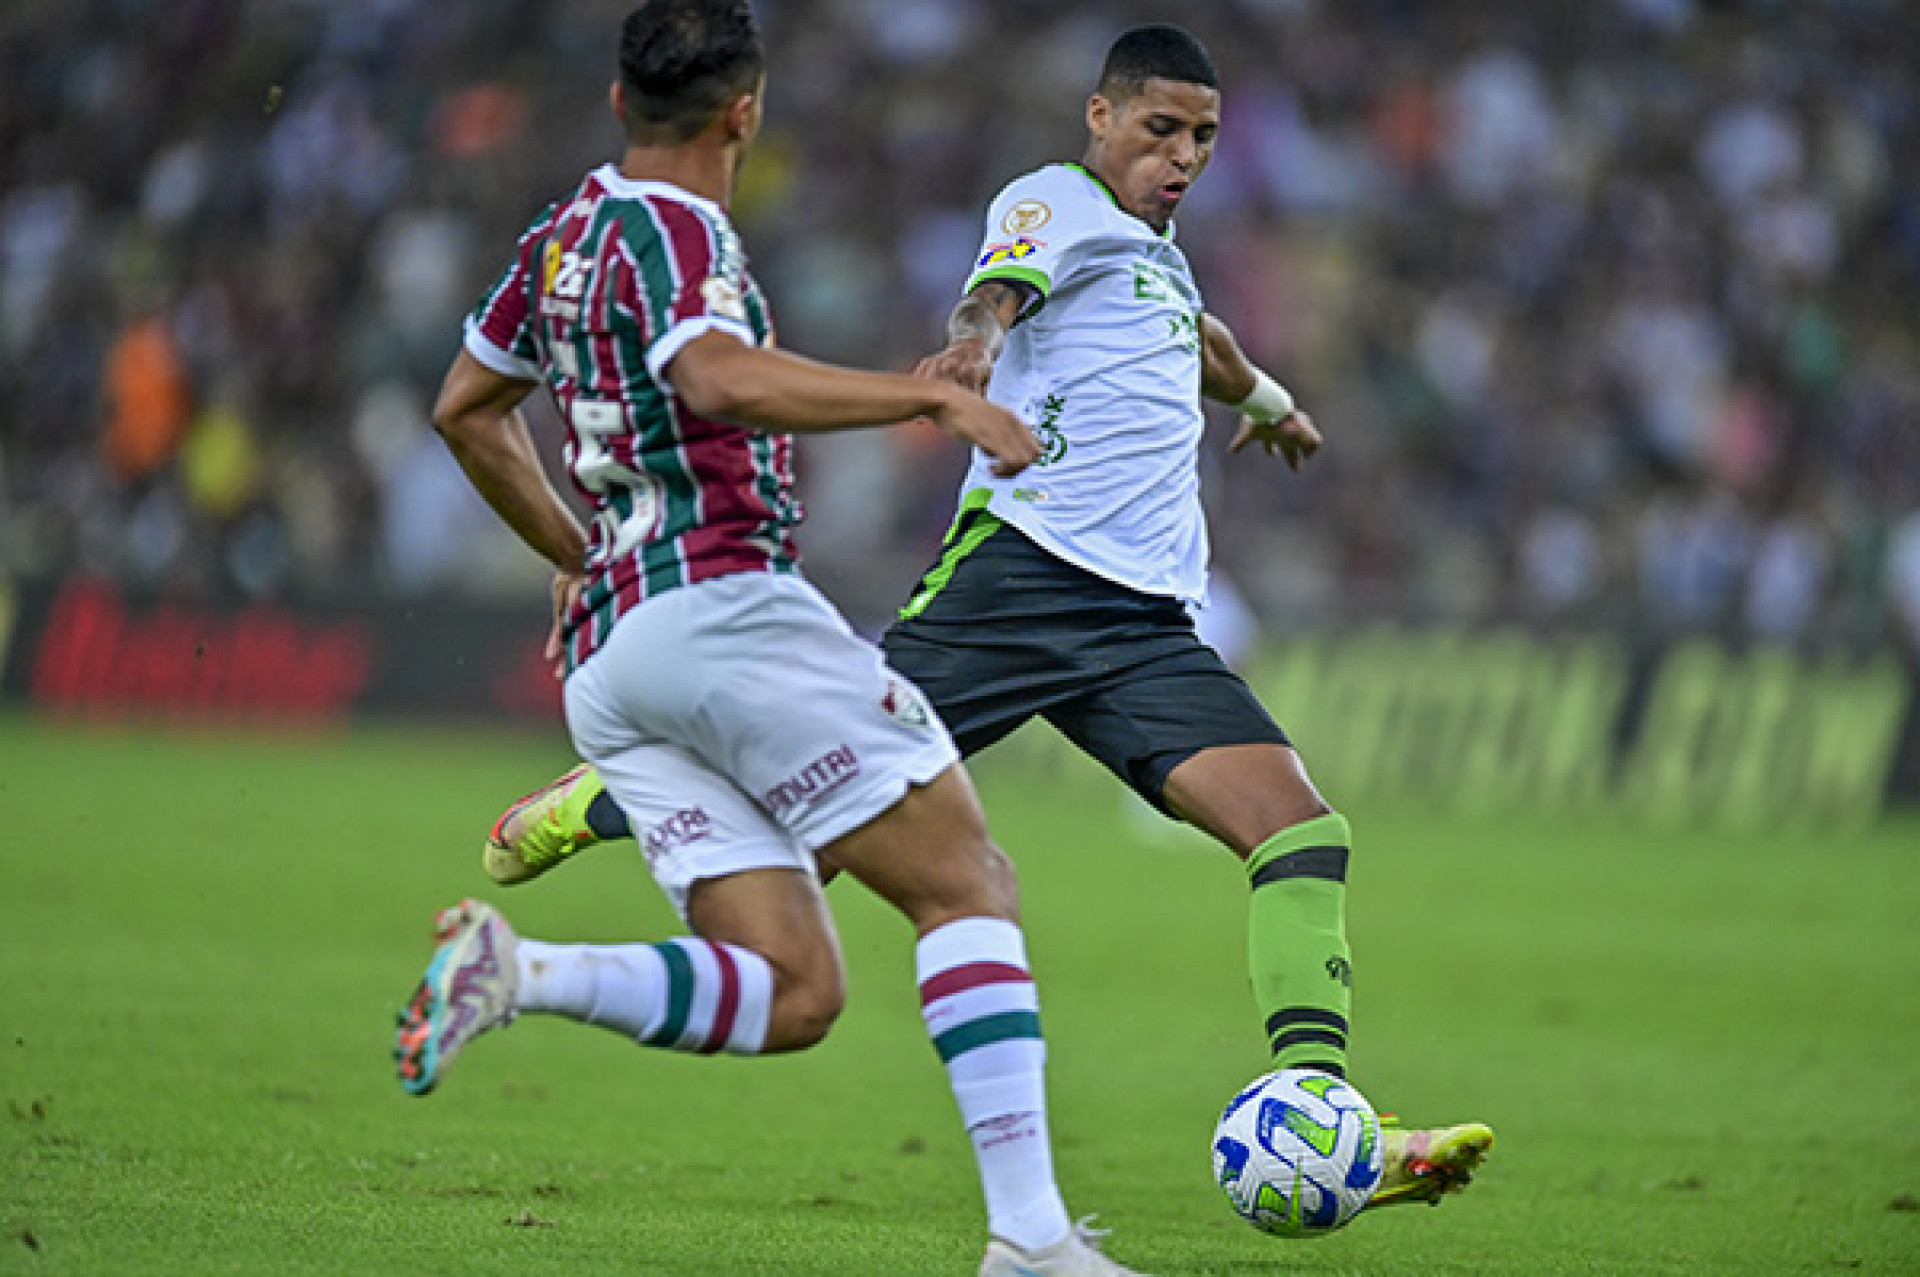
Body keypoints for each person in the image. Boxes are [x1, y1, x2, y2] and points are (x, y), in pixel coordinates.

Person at [482, 22, 1493, 1213]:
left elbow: (1205, 346)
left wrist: (1269, 400)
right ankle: (595, 800)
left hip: (1144, 629)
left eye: (1204, 138)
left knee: (1303, 836)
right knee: (809, 827)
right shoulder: (1055, 201)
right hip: (1019, 581)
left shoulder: (1161, 260)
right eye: (1160, 129)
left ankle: (1327, 1119)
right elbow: (998, 291)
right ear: (1100, 117)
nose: (1182, 157)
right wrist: (969, 352)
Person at [393, 5, 1149, 1274]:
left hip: (613, 661)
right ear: (746, 112)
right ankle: (1030, 1240)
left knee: (795, 987)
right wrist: (926, 393)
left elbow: (468, 406)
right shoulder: (681, 229)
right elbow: (718, 380)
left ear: (622, 104)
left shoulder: (565, 235)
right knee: (966, 881)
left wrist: (581, 557)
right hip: (727, 609)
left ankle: (515, 968)